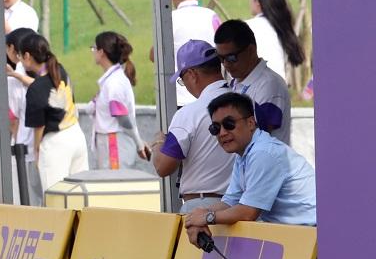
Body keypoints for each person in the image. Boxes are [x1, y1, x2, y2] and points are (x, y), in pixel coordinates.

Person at [184, 92, 315, 248]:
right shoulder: (245, 153)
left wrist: (207, 217)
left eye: (229, 124)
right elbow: (229, 202)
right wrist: (196, 217)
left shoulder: (263, 153)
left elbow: (247, 213)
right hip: (297, 236)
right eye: (215, 128)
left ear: (251, 123)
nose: (222, 133)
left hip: (313, 236)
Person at [152, 40, 234, 213]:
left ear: (192, 74)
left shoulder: (189, 114)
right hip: (239, 207)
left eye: (182, 79)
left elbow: (163, 166)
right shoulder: (245, 103)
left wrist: (158, 143)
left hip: (200, 206)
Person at [18, 33, 88, 190]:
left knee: (55, 199)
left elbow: (39, 127)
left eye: (20, 56)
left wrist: (36, 152)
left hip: (56, 143)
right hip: (76, 135)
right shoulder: (60, 70)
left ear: (27, 56)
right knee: (79, 195)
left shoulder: (36, 88)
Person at [214, 19, 291, 146]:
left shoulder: (270, 84)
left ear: (250, 50)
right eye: (220, 58)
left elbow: (257, 132)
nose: (226, 64)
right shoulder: (235, 83)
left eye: (231, 58)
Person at [151, 0, 221, 107]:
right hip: (212, 93)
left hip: (180, 97)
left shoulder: (168, 19)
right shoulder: (211, 16)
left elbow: (155, 55)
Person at [84, 31, 150, 169]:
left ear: (101, 52)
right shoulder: (110, 81)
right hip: (110, 144)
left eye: (94, 48)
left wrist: (139, 143)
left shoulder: (114, 83)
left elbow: (122, 118)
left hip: (114, 145)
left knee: (114, 187)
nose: (93, 52)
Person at [4, 27, 45, 205]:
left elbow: (12, 118)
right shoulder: (52, 72)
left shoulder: (14, 78)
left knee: (27, 198)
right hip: (45, 145)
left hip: (25, 147)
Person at [247, 0, 306, 84]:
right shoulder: (282, 28)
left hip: (257, 90)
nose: (249, 0)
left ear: (258, 1)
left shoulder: (248, 27)